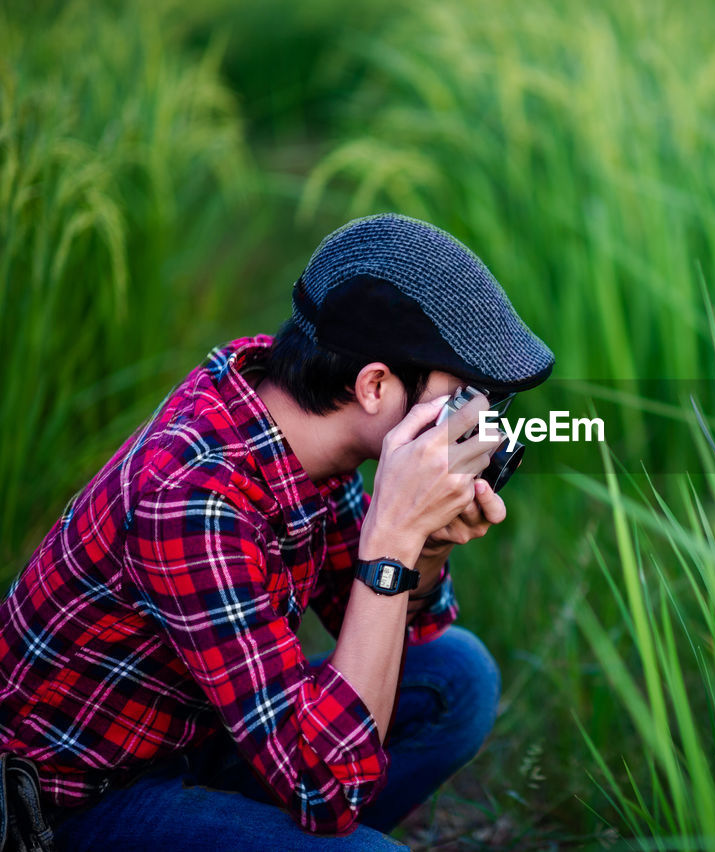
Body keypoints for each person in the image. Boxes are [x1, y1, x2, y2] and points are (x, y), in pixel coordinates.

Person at [0, 213, 555, 850]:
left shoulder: (305, 425)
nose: (482, 424)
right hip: (72, 806)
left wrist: (424, 544)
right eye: (466, 397)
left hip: (192, 738)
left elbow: (402, 625)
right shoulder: (194, 497)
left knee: (457, 674)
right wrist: (392, 542)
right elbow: (330, 788)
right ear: (375, 385)